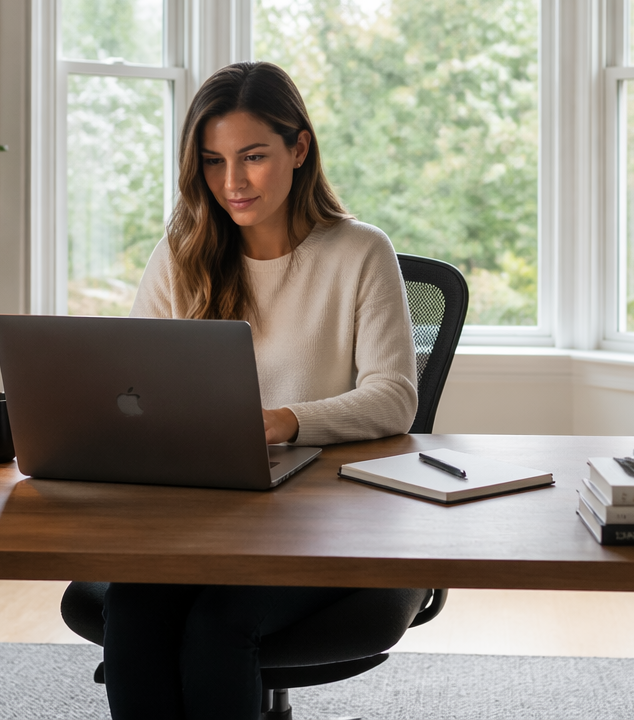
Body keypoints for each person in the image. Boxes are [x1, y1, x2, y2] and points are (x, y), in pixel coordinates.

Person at [101, 61, 419, 720]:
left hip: (322, 522)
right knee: (131, 608)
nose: (232, 182)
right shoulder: (183, 252)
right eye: (213, 162)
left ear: (299, 148)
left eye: (253, 157)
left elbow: (395, 397)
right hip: (199, 518)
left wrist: (281, 421)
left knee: (220, 624)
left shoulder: (359, 252)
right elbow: (131, 381)